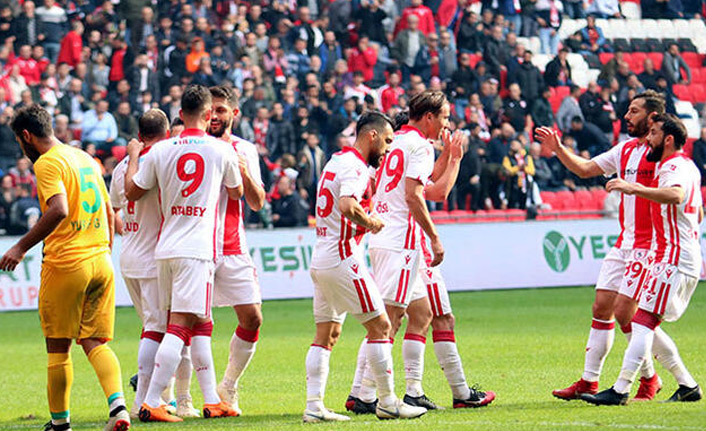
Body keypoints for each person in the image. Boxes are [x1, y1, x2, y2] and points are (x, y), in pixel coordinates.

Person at [537, 91, 693, 402]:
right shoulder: (625, 151)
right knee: (602, 307)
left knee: (628, 313)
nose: (626, 116)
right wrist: (559, 151)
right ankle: (591, 381)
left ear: (653, 119)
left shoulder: (665, 159)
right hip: (625, 241)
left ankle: (650, 380)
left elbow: (680, 196)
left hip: (652, 247)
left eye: (634, 112)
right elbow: (584, 169)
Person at [0, 104, 129, 431]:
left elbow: (58, 209)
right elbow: (109, 211)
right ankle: (118, 410)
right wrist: (105, 251)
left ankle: (60, 425)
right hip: (101, 260)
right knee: (95, 342)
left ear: (26, 136)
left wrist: (19, 246)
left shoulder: (47, 163)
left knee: (58, 348)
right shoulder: (85, 158)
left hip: (67, 263)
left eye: (19, 141)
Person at [347, 91, 476, 412]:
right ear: (430, 117)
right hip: (401, 241)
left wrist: (447, 155)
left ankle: (412, 391)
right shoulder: (418, 145)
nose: (446, 123)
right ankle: (363, 395)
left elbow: (423, 184)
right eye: (444, 117)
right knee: (388, 320)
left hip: (386, 237)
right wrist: (434, 237)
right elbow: (419, 195)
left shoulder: (397, 142)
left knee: (422, 313)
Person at [124, 84, 243, 422]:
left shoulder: (162, 150)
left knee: (200, 323)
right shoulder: (221, 150)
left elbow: (132, 191)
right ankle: (151, 400)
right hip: (196, 249)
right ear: (209, 115)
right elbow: (235, 193)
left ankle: (211, 400)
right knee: (178, 326)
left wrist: (136, 159)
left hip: (165, 248)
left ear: (179, 115)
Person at [305, 111, 426, 422]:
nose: (386, 149)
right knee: (381, 327)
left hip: (320, 257)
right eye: (386, 141)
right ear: (371, 136)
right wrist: (370, 222)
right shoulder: (356, 167)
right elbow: (347, 205)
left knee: (327, 333)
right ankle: (387, 401)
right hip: (343, 256)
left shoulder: (334, 161)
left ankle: (314, 406)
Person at [582, 114, 703, 405]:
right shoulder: (687, 166)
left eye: (653, 133)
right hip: (672, 255)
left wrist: (634, 187)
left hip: (675, 257)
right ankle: (687, 385)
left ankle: (622, 389)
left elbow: (675, 195)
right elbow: (695, 210)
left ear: (668, 139)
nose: (647, 139)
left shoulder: (673, 165)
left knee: (643, 321)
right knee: (642, 320)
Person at [109, 109, 178, 419]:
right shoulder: (159, 160)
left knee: (153, 327)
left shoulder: (123, 165)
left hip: (129, 256)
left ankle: (163, 396)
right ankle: (144, 402)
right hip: (153, 259)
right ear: (164, 134)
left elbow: (114, 209)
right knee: (158, 328)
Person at [207, 86, 267, 416]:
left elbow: (257, 202)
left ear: (234, 114)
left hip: (232, 245)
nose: (214, 116)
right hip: (198, 246)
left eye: (220, 110)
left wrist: (243, 169)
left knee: (252, 317)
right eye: (210, 110)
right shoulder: (194, 145)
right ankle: (182, 398)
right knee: (188, 324)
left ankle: (228, 386)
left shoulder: (245, 149)